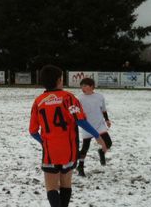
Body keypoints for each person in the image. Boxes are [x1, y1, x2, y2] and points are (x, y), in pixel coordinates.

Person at [29, 65, 107, 207]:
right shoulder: (68, 98)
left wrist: (43, 142)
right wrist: (97, 136)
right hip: (68, 150)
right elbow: (80, 120)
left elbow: (33, 131)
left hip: (50, 151)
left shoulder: (38, 102)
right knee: (66, 183)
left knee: (51, 187)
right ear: (59, 80)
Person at [76, 77, 112, 176]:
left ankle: (101, 152)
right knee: (85, 148)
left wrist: (107, 120)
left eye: (85, 86)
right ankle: (80, 166)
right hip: (87, 126)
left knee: (108, 143)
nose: (82, 88)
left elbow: (103, 110)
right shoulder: (79, 98)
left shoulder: (99, 97)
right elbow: (75, 112)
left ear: (92, 86)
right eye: (81, 86)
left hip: (99, 124)